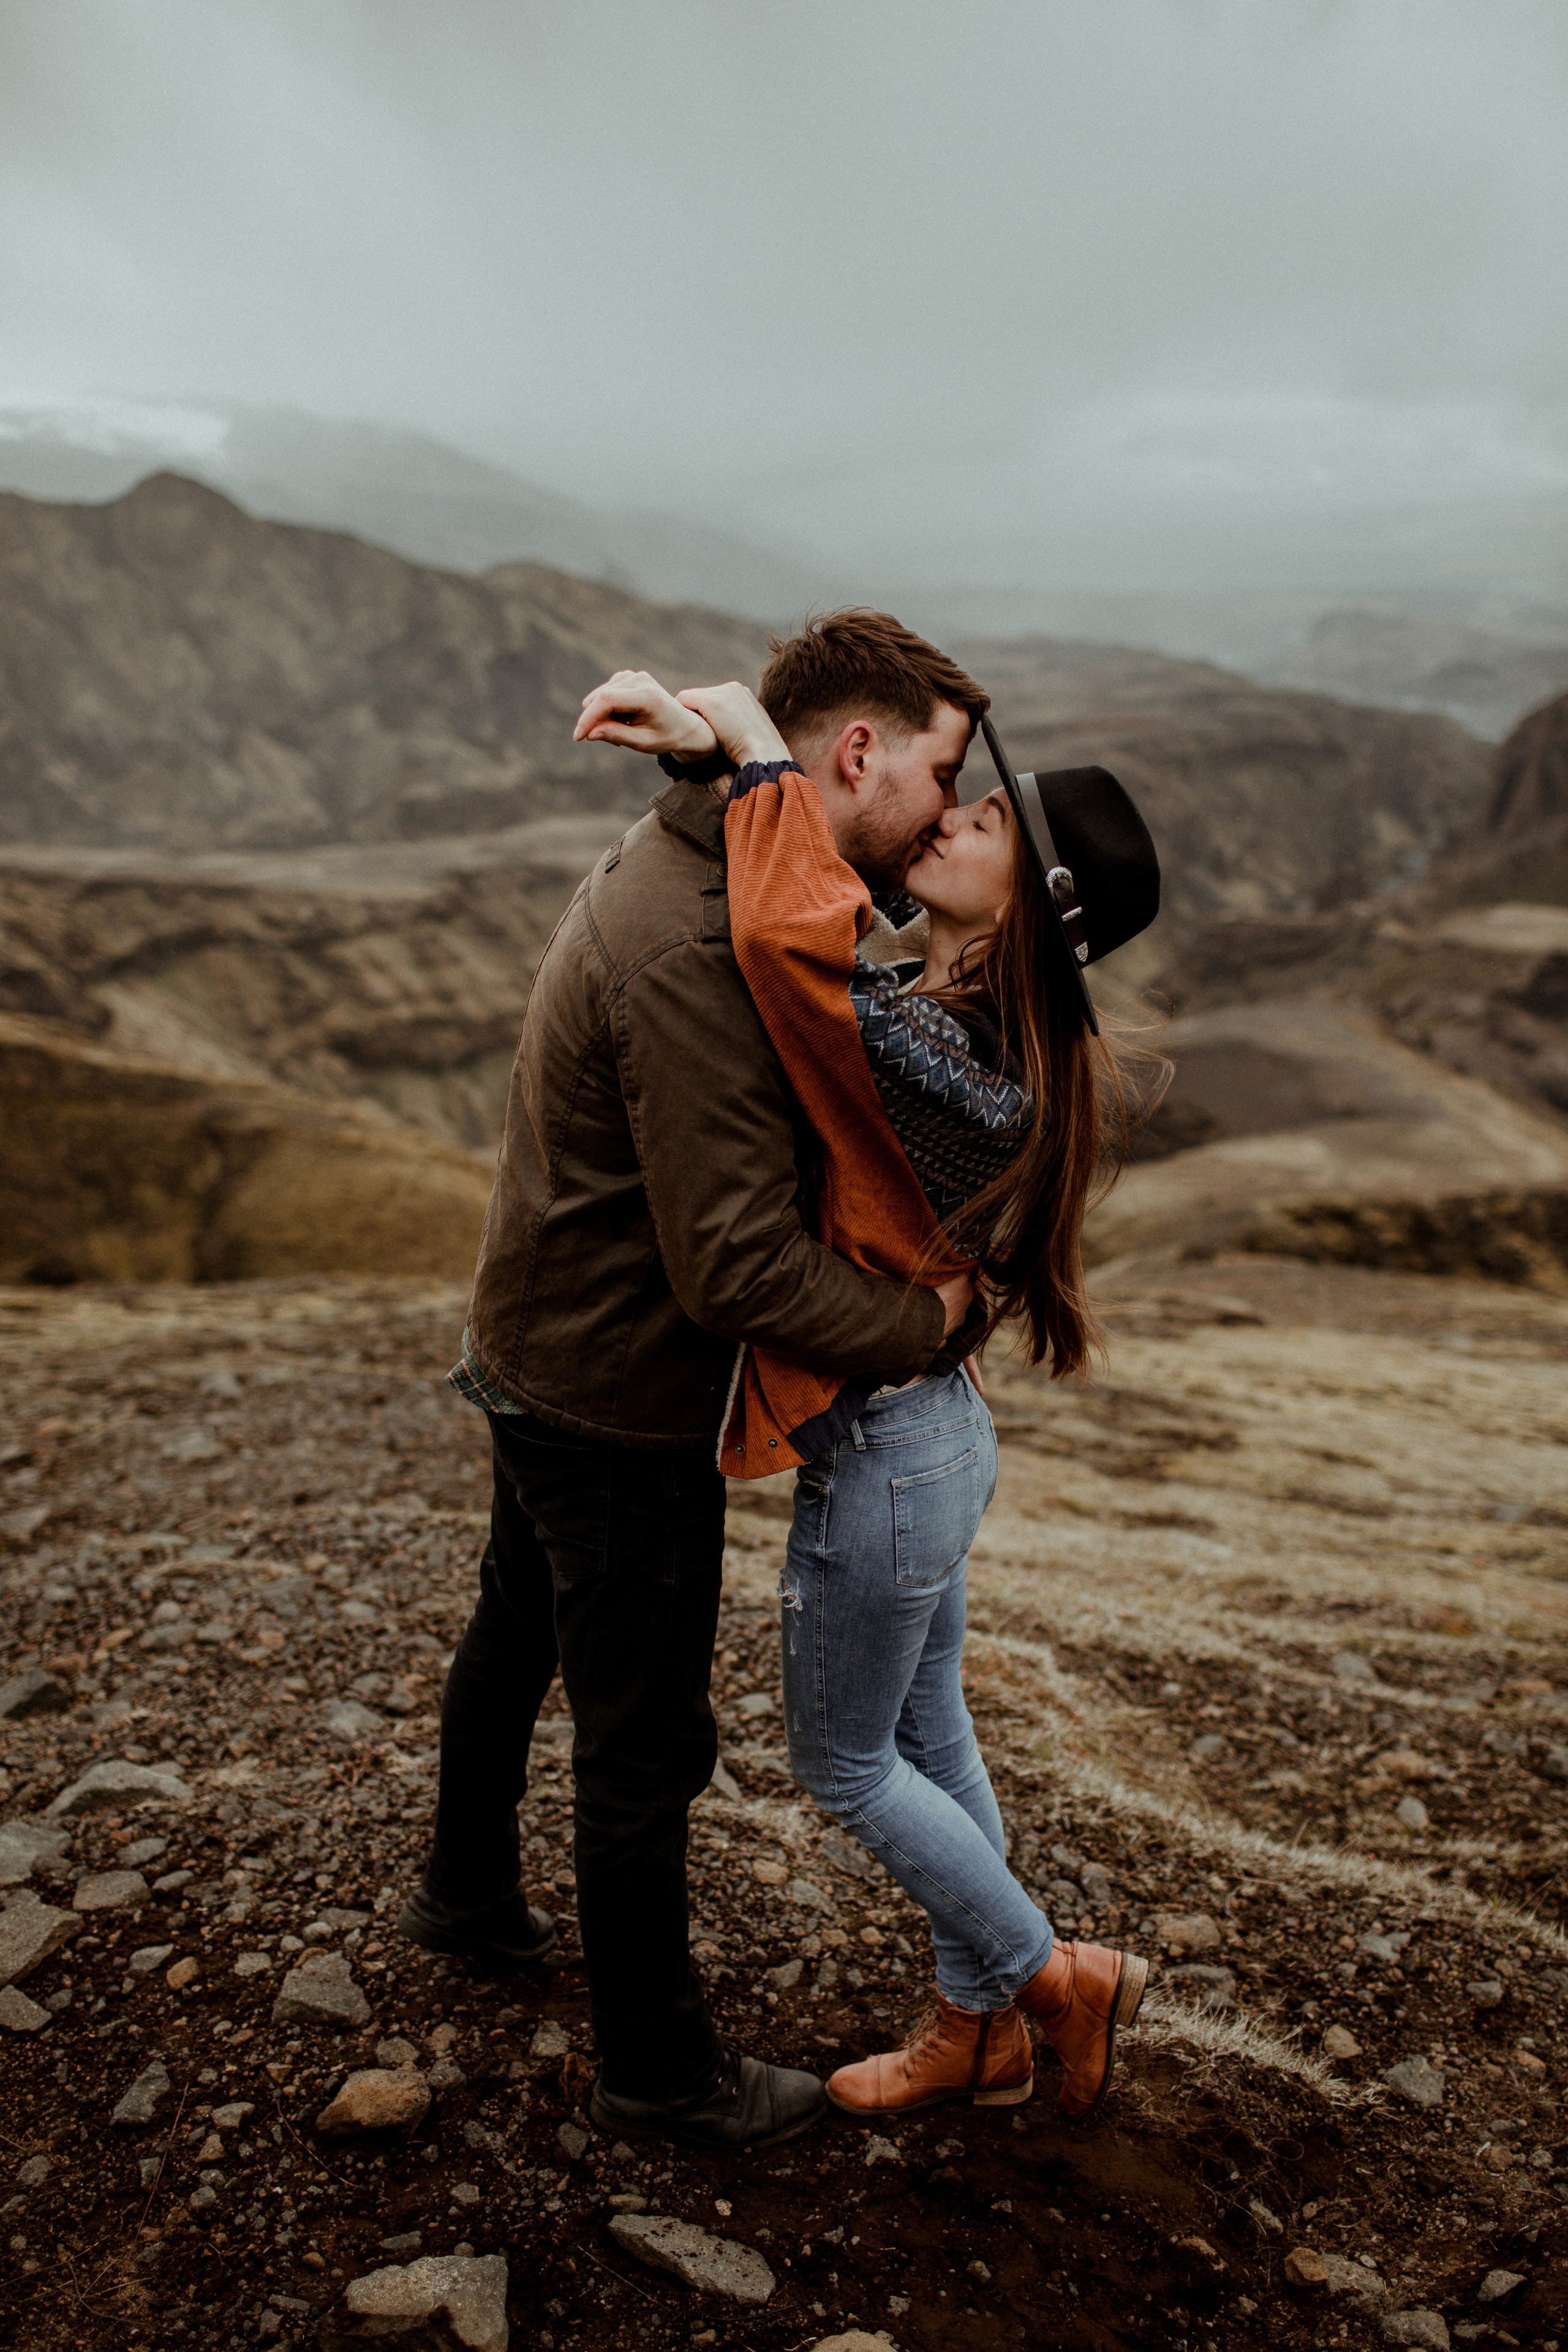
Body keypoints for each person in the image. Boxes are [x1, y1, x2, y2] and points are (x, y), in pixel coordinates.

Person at [396, 611, 989, 2152]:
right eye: (939, 776)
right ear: (852, 754)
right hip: (611, 1391)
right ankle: (658, 2076)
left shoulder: (716, 848)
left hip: (540, 1340)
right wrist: (925, 1330)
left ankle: (463, 1893)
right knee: (643, 1736)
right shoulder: (700, 943)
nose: (945, 813)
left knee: (515, 1625)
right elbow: (731, 1271)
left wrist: (728, 735)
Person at [573, 641, 1163, 2122]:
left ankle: (1052, 1980)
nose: (946, 821)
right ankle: (981, 2029)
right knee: (927, 1740)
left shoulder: (966, 1059)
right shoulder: (953, 1011)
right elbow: (829, 943)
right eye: (958, 794)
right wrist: (721, 746)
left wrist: (754, 757)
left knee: (841, 1763)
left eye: (982, 822)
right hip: (923, 1444)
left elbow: (796, 949)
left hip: (895, 1452)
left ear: (1035, 906)